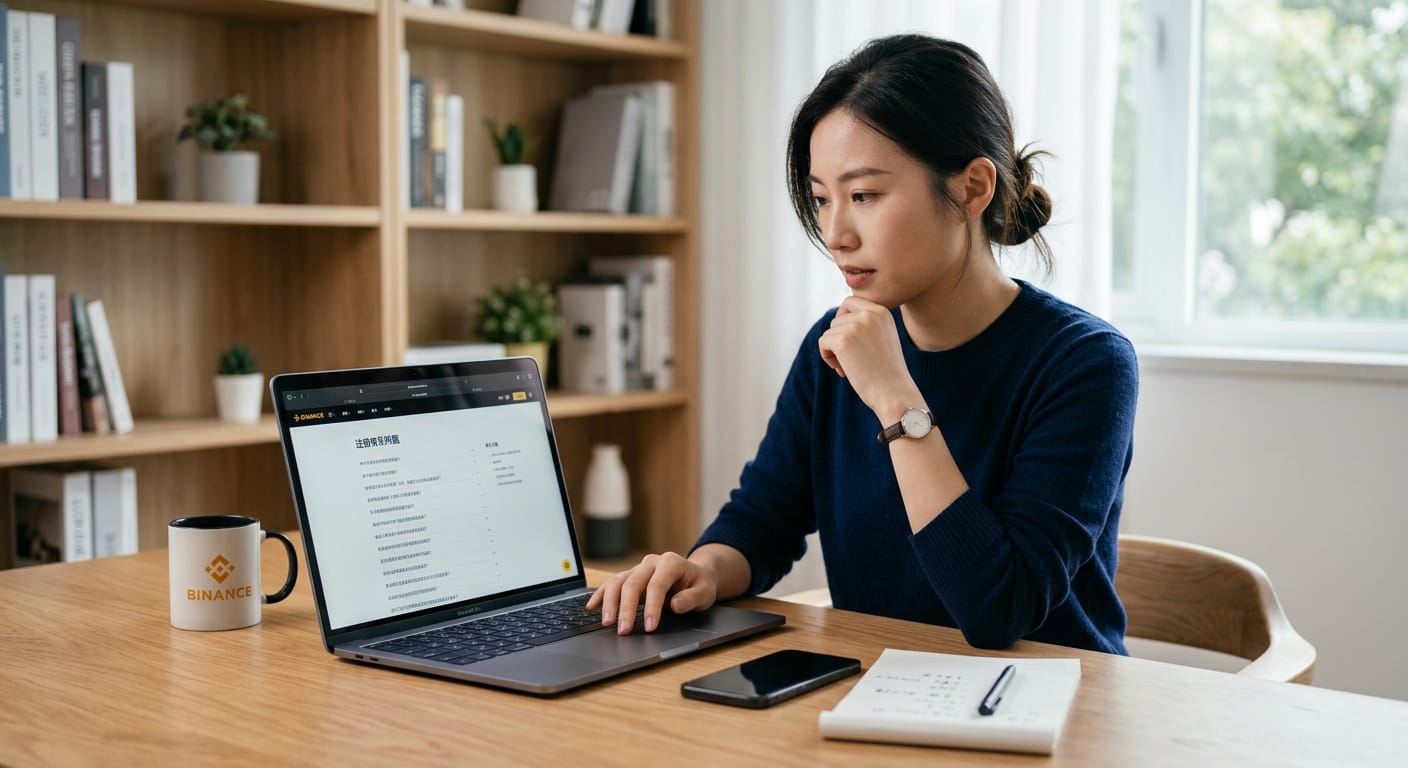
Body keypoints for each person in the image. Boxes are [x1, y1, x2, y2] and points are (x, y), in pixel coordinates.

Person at [587, 33, 1138, 654]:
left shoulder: (1085, 363)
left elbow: (997, 609)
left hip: (1050, 713)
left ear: (972, 189)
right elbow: (763, 519)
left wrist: (896, 398)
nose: (836, 234)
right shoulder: (835, 345)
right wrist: (705, 570)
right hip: (879, 697)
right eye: (822, 199)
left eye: (865, 196)